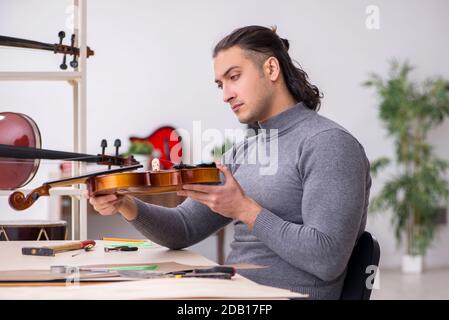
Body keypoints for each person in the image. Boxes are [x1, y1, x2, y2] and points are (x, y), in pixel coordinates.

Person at [88, 25, 371, 300]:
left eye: (234, 77)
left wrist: (244, 209)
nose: (226, 95)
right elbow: (184, 227)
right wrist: (126, 204)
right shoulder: (243, 152)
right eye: (220, 84)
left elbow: (326, 259)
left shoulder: (329, 144)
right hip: (235, 293)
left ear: (271, 69)